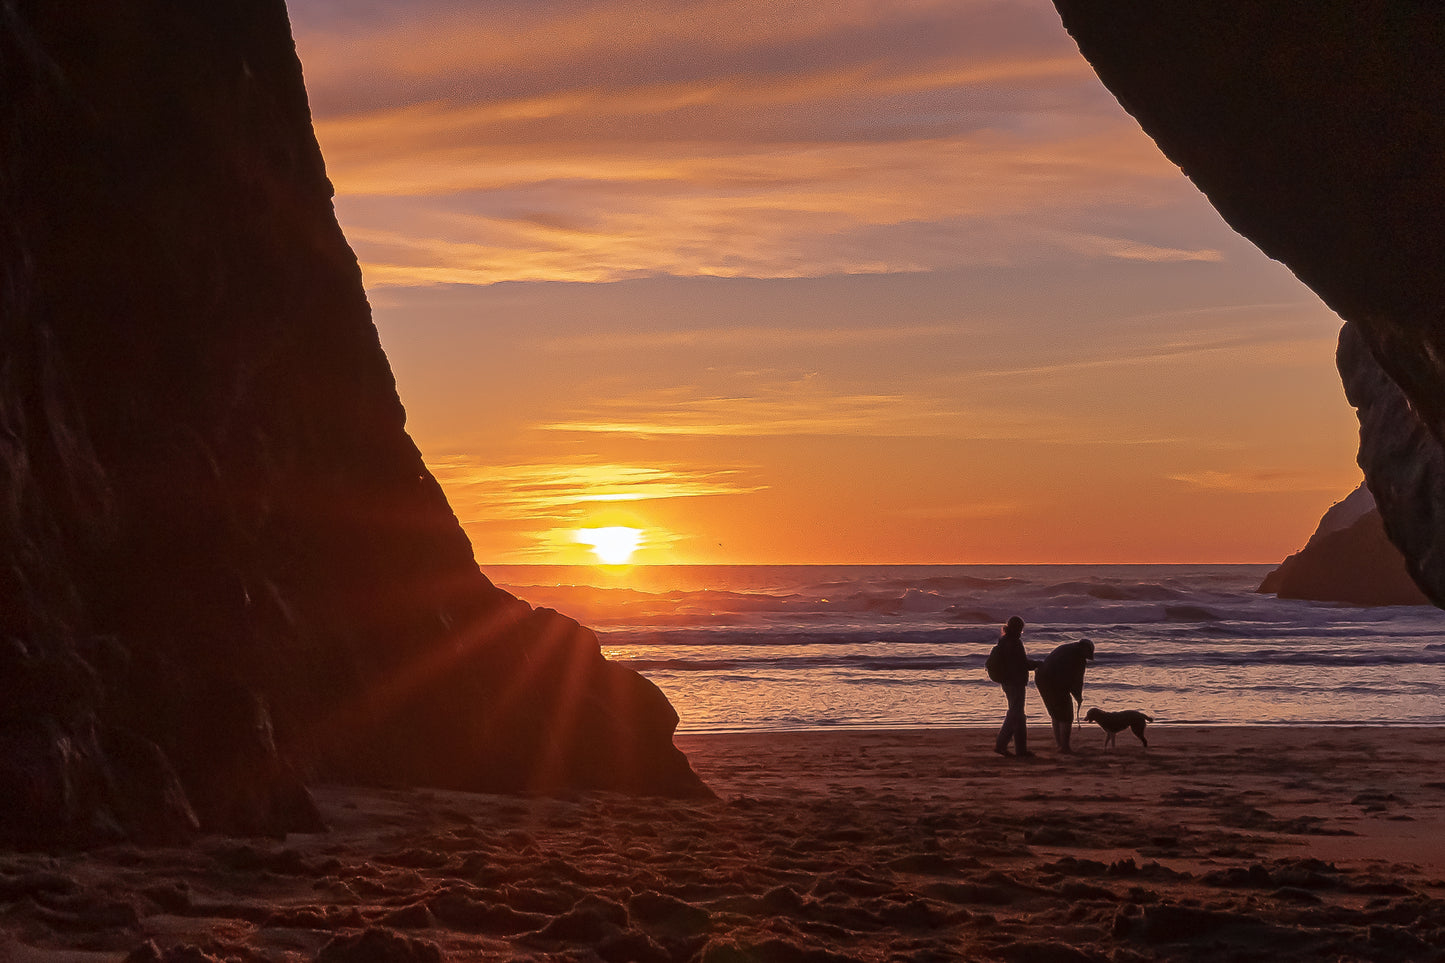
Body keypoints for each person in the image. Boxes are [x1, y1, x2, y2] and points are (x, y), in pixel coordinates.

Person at [1034, 638, 1095, 753]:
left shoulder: (1066, 648)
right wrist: (1078, 697)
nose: (1088, 657)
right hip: (1052, 682)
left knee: (1056, 714)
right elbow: (1077, 681)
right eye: (1089, 653)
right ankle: (1065, 747)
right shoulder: (1078, 657)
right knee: (1066, 716)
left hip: (1041, 678)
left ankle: (1060, 744)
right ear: (1085, 648)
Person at [992, 616, 1041, 757]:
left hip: (1008, 682)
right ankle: (1005, 746)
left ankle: (1018, 749)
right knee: (1016, 714)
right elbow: (1021, 663)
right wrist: (1037, 664)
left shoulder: (1005, 640)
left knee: (1017, 714)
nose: (1021, 631)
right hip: (1015, 682)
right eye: (1020, 628)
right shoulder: (1014, 642)